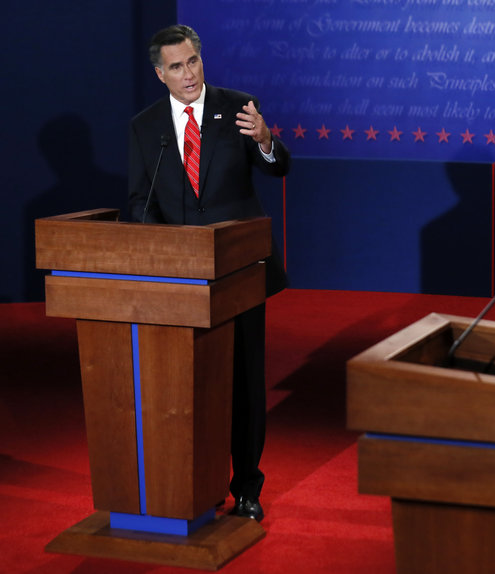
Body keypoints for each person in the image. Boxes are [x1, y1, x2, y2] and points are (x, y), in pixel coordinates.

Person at [128, 24, 291, 522]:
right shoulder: (145, 126)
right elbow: (138, 201)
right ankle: (198, 485)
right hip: (179, 282)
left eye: (193, 61)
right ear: (160, 74)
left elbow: (277, 167)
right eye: (176, 67)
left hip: (238, 272)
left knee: (243, 385)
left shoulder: (238, 105)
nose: (188, 74)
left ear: (202, 59)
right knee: (187, 388)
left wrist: (265, 139)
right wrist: (162, 257)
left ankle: (246, 487)